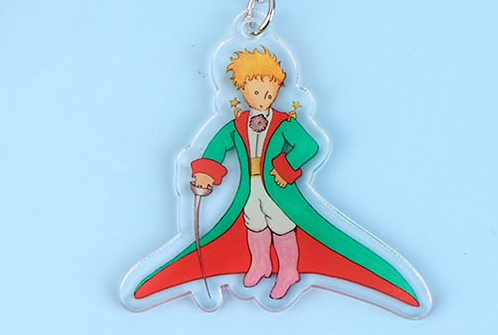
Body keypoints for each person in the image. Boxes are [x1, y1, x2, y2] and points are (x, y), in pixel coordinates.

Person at [132, 47, 420, 308]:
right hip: (250, 188)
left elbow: (308, 145)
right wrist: (205, 174)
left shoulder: (284, 123)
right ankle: (260, 264)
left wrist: (286, 168)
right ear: (243, 89)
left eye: (269, 93)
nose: (263, 98)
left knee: (281, 226)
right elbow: (217, 147)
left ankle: (289, 270)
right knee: (253, 223)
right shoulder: (238, 124)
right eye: (257, 92)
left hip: (278, 188)